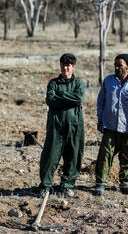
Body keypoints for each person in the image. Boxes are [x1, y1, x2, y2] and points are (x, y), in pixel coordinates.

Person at [94, 54, 128, 196]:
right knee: (105, 155)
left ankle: (126, 182)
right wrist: (100, 119)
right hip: (110, 126)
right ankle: (100, 184)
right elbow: (101, 101)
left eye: (120, 65)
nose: (116, 68)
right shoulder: (108, 82)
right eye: (115, 65)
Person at [38, 53, 85, 197]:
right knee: (50, 154)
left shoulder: (79, 84)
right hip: (56, 125)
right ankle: (46, 185)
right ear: (60, 66)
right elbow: (50, 100)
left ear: (73, 67)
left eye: (68, 65)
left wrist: (61, 96)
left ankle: (67, 185)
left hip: (75, 124)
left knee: (73, 154)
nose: (65, 68)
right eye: (63, 65)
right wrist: (69, 99)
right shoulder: (53, 83)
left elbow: (78, 99)